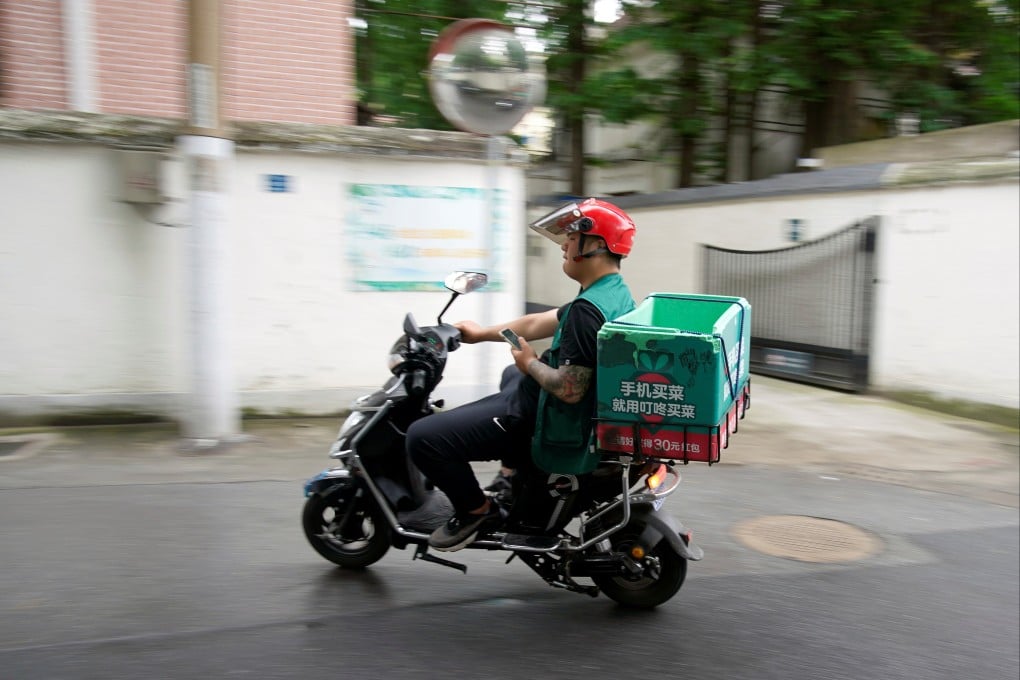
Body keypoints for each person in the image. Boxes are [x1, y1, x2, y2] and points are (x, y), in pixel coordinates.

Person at [407, 198, 637, 552]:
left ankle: (477, 512)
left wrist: (529, 363)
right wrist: (481, 332)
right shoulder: (611, 293)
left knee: (423, 437)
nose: (563, 245)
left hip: (547, 417)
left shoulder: (586, 313)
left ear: (594, 245)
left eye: (571, 237)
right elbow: (535, 322)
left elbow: (571, 389)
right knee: (507, 373)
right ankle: (511, 473)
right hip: (553, 407)